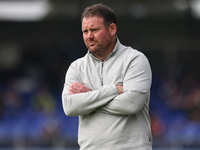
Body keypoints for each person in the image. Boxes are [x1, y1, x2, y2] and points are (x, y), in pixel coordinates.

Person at [62, 3, 152, 150]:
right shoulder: (76, 67)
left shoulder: (135, 59)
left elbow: (131, 104)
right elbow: (69, 106)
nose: (89, 36)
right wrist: (114, 90)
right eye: (85, 31)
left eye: (94, 30)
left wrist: (89, 98)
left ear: (112, 29)